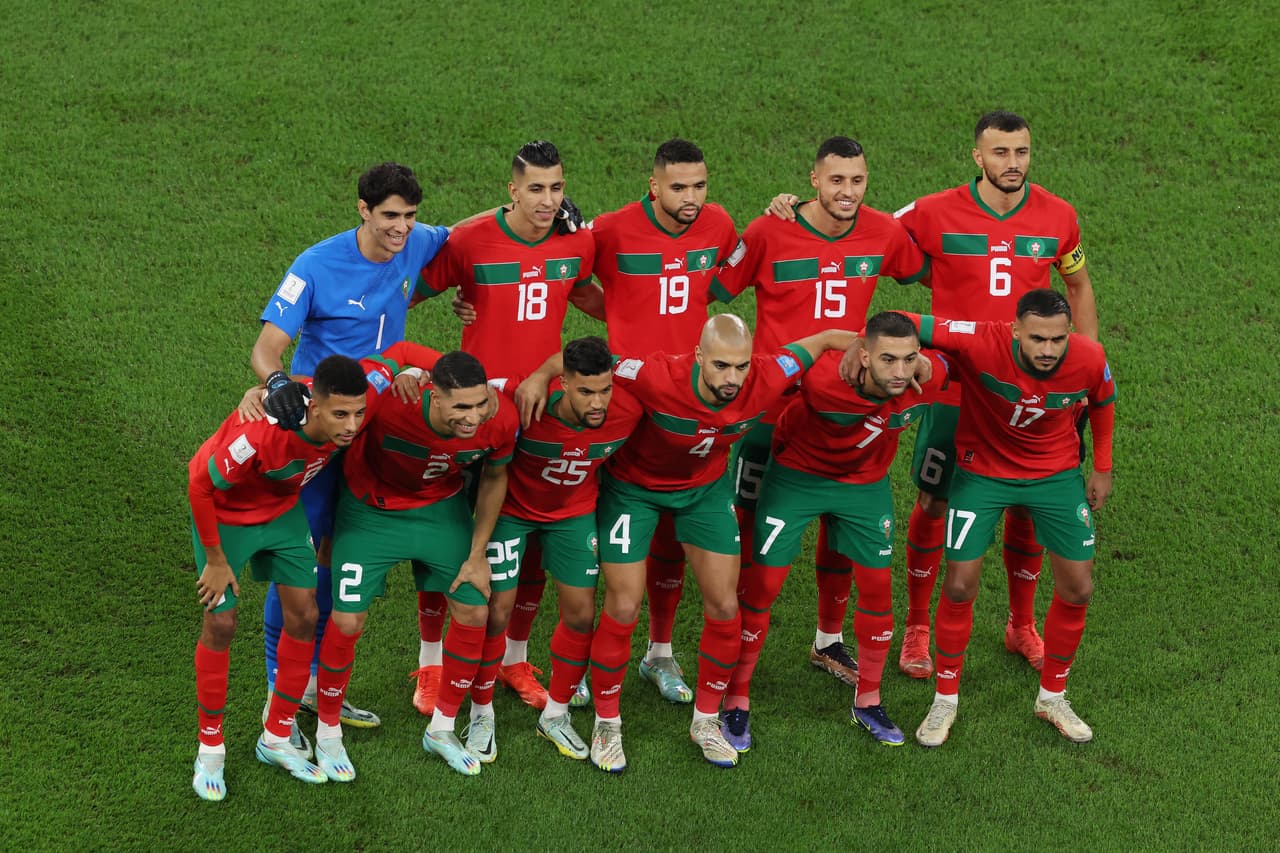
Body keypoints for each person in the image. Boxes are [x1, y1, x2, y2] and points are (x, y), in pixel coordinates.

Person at [519, 315, 858, 771]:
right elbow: (587, 365)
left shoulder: (769, 374)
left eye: (740, 367)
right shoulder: (658, 375)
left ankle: (705, 721)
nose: (731, 379)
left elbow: (822, 339)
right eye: (720, 365)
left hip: (704, 493)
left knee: (724, 605)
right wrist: (542, 375)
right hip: (633, 492)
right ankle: (607, 724)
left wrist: (874, 353)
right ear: (698, 357)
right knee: (622, 605)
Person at [892, 111, 1100, 676]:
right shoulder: (931, 211)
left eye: (1022, 152)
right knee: (934, 499)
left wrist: (1077, 367)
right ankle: (917, 628)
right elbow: (864, 231)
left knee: (1029, 501)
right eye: (1001, 153)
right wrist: (792, 210)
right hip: (954, 385)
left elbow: (1077, 286)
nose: (1013, 163)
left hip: (1024, 392)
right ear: (977, 157)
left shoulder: (1059, 216)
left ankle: (1020, 625)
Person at [251, 162, 450, 745]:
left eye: (410, 217)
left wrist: (569, 222)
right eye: (390, 216)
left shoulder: (415, 244)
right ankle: (277, 693)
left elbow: (468, 232)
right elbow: (267, 348)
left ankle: (311, 685)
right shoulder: (315, 265)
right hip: (320, 428)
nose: (401, 229)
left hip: (377, 431)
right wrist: (276, 384)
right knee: (301, 556)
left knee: (341, 553)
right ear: (362, 210)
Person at [722, 137, 927, 687]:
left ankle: (828, 642)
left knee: (840, 523)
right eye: (836, 180)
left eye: (857, 180)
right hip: (771, 407)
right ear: (813, 180)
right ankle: (731, 643)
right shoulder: (769, 232)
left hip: (846, 405)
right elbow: (715, 285)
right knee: (748, 520)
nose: (847, 191)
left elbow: (934, 267)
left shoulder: (883, 231)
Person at [411, 140, 600, 716]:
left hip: (543, 413)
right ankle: (431, 661)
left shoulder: (577, 242)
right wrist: (457, 306)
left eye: (557, 188)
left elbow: (601, 300)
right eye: (536, 189)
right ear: (512, 190)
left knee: (529, 544)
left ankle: (515, 656)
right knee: (454, 540)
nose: (547, 200)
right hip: (477, 415)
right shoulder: (471, 241)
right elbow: (407, 292)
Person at [896, 291, 1115, 746]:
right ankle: (945, 699)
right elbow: (901, 319)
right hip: (983, 473)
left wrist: (1103, 467)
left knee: (1079, 586)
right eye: (1037, 338)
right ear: (1015, 330)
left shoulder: (1090, 358)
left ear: (1068, 333)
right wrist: (904, 357)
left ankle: (1052, 696)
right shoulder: (981, 341)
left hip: (1054, 476)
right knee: (959, 584)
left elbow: (1103, 398)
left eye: (1057, 339)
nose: (1048, 350)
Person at [724, 311, 946, 751]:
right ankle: (736, 697)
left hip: (864, 487)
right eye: (887, 360)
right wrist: (826, 339)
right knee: (762, 586)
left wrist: (930, 362)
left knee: (878, 589)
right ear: (862, 356)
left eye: (909, 359)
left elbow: (971, 359)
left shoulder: (928, 377)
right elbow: (763, 375)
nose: (900, 372)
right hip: (796, 479)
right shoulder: (821, 376)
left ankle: (868, 700)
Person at [312, 351, 519, 778]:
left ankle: (441, 728)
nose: (474, 416)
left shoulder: (501, 418)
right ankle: (327, 731)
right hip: (371, 511)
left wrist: (478, 552)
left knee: (475, 608)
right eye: (461, 407)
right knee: (347, 621)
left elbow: (496, 478)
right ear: (434, 396)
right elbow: (347, 396)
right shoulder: (391, 400)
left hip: (439, 511)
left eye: (479, 403)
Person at [587, 138, 741, 704]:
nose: (692, 197)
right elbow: (571, 277)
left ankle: (660, 653)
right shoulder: (611, 230)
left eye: (700, 185)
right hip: (629, 403)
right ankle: (591, 659)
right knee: (616, 532)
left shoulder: (719, 224)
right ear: (653, 185)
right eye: (678, 187)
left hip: (693, 400)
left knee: (675, 537)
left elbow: (728, 277)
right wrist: (621, 309)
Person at [188, 355, 370, 801]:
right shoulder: (260, 432)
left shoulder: (338, 414)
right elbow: (200, 485)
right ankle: (210, 746)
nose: (351, 426)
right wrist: (215, 560)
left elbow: (396, 361)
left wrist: (410, 374)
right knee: (221, 623)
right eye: (341, 415)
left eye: (359, 414)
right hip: (226, 518)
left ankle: (276, 735)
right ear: (313, 409)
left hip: (282, 514)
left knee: (305, 615)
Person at [477, 336, 643, 762]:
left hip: (573, 514)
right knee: (496, 608)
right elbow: (467, 393)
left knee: (581, 613)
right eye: (585, 391)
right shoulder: (523, 400)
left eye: (604, 390)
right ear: (563, 383)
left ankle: (556, 713)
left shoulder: (629, 410)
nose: (597, 403)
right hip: (513, 513)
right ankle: (480, 713)